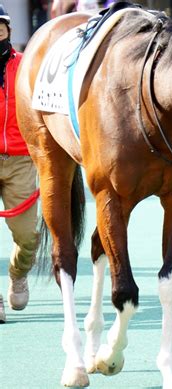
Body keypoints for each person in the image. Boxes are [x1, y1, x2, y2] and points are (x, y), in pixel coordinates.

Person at [0, 4, 38, 324]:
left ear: (9, 31)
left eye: (0, 27)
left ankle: (17, 274)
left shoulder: (27, 67)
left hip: (21, 161)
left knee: (28, 237)